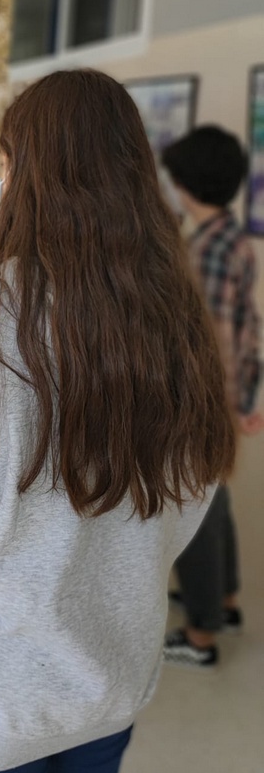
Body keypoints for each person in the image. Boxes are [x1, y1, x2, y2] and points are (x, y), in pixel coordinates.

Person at [0, 69, 234, 773]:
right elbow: (191, 491)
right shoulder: (173, 309)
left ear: (26, 171)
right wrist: (119, 564)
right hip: (114, 653)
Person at [160, 125, 262, 667]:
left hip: (203, 404)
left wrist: (207, 409)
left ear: (186, 184)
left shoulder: (209, 250)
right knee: (215, 502)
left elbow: (217, 337)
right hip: (224, 400)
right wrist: (245, 398)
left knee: (194, 510)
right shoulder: (233, 236)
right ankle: (224, 600)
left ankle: (201, 635)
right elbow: (249, 328)